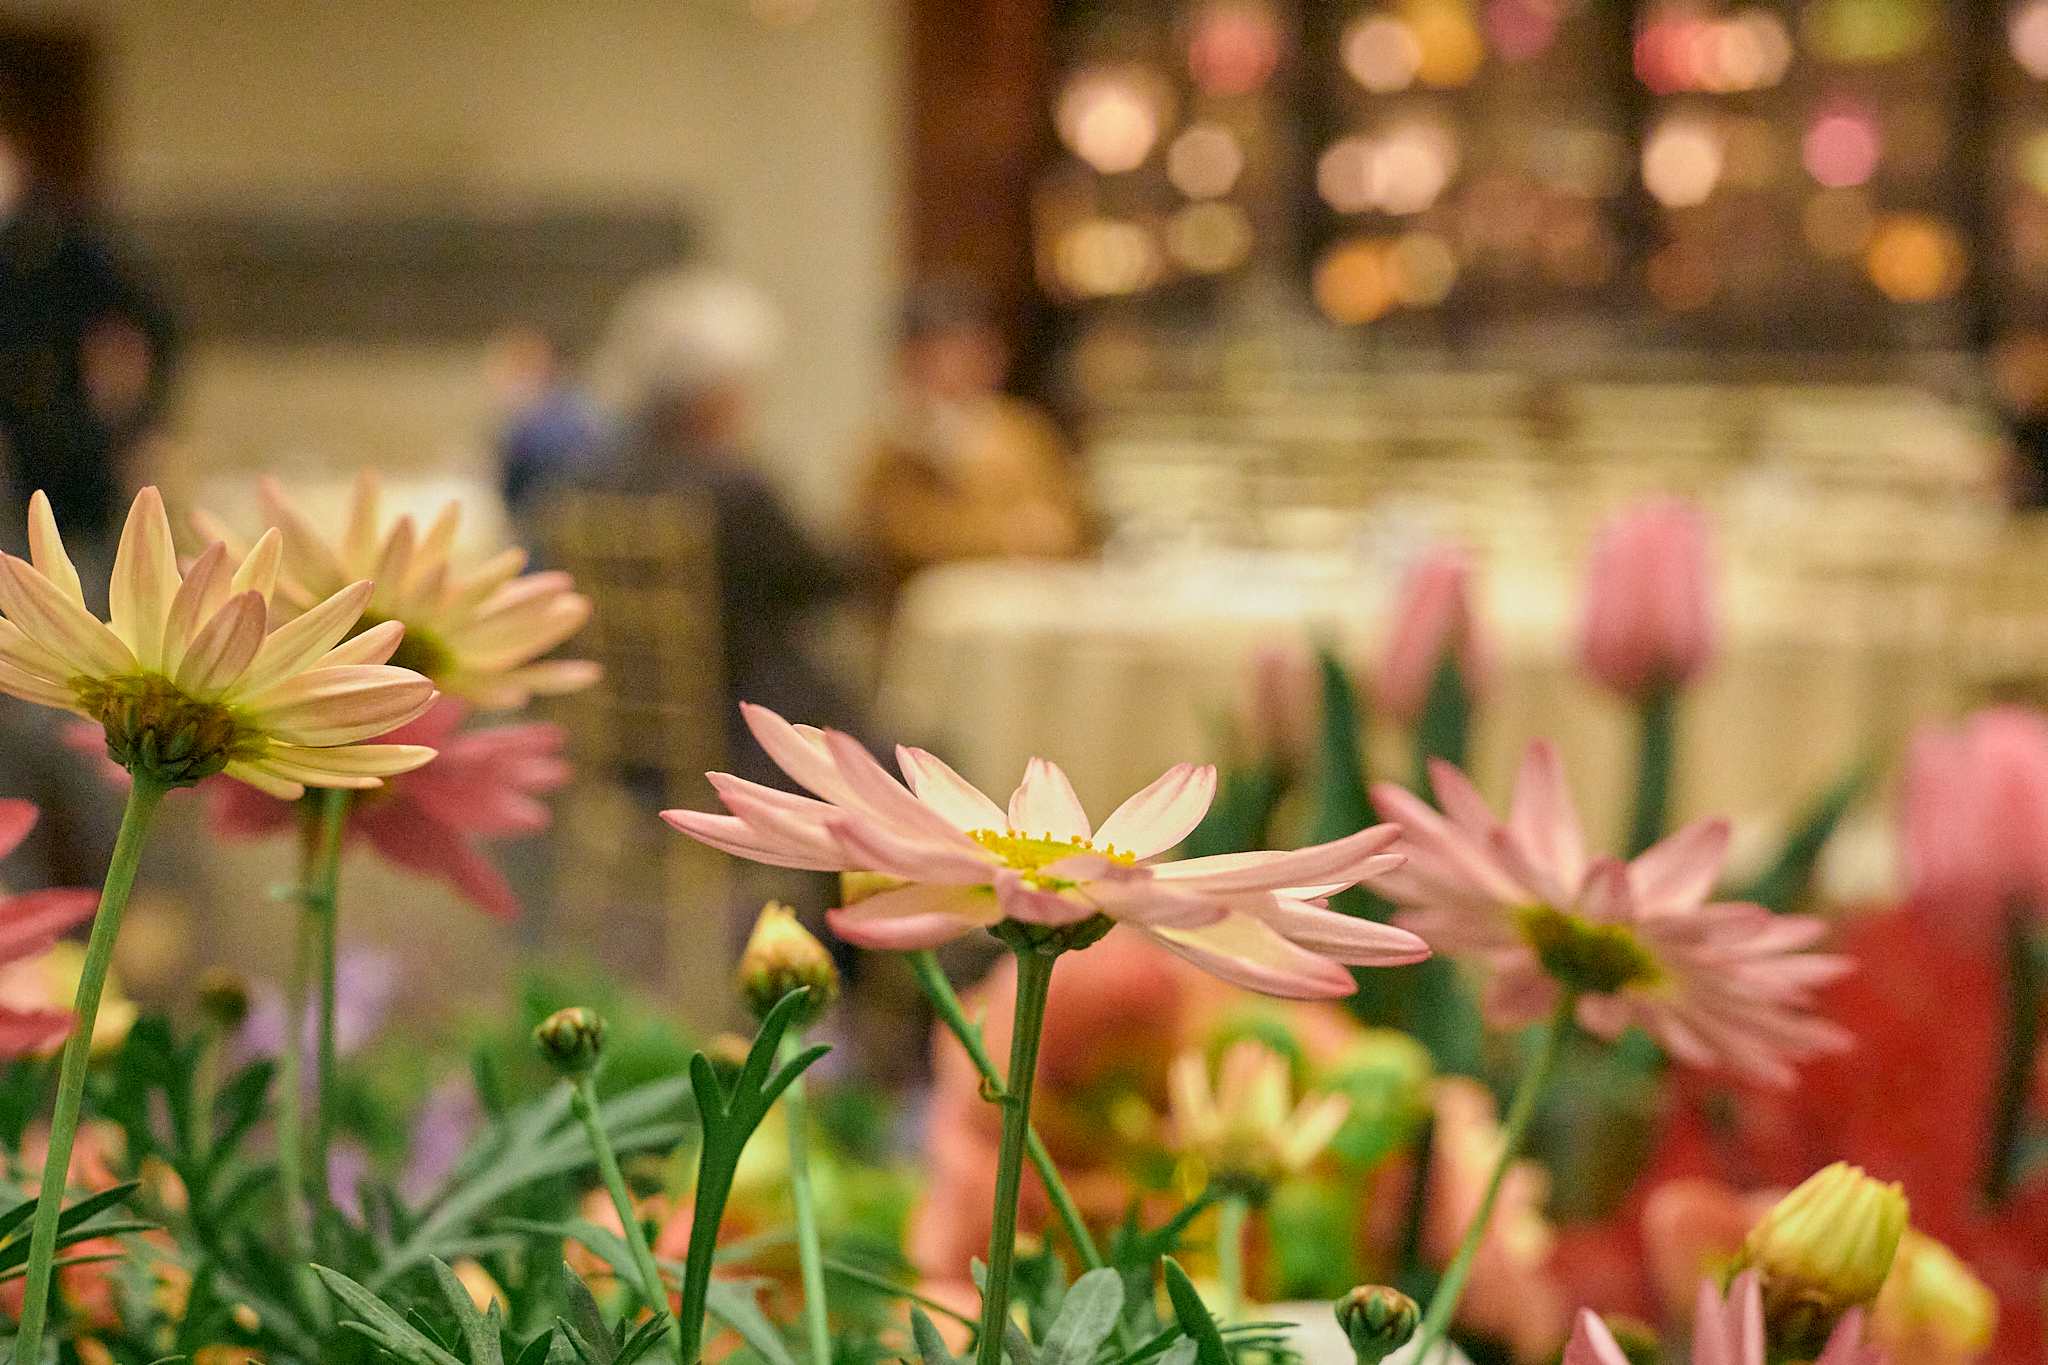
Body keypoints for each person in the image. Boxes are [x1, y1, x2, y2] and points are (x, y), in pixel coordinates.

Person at [577, 266, 866, 791]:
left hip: (625, 735)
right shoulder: (733, 486)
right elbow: (826, 580)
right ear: (711, 394)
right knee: (919, 760)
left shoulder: (596, 478)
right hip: (745, 728)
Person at [0, 124, 177, 582]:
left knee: (89, 575)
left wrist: (143, 419)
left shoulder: (67, 241)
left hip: (79, 441)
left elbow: (150, 326)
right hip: (16, 451)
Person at [855, 280, 1085, 600]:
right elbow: (906, 537)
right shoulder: (896, 446)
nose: (958, 369)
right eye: (940, 356)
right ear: (910, 362)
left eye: (972, 352)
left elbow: (1066, 519)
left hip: (1025, 607)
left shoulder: (1021, 430)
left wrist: (1050, 533)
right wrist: (1006, 537)